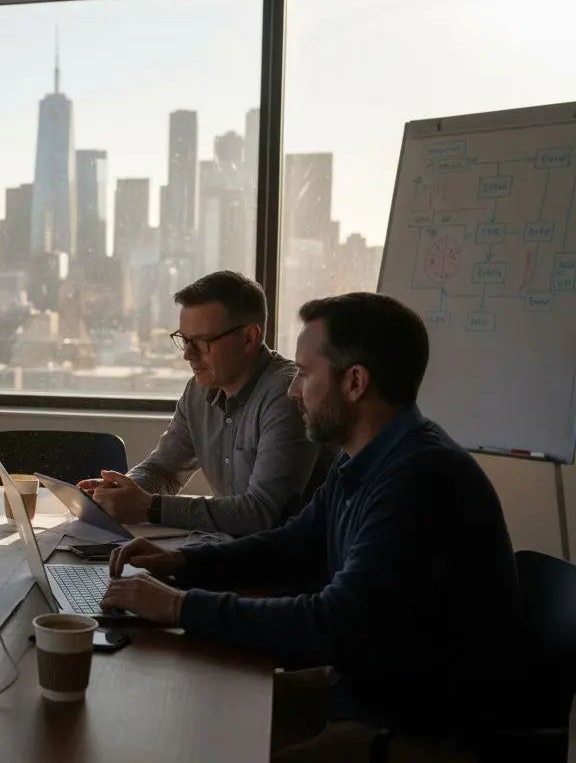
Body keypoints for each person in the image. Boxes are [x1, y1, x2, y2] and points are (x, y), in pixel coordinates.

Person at [100, 292, 521, 761]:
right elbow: (292, 544)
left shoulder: (419, 480)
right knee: (190, 718)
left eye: (304, 373)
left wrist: (180, 607)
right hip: (364, 688)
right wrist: (181, 562)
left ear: (355, 382)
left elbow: (331, 623)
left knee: (207, 742)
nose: (292, 389)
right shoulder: (365, 459)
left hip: (414, 725)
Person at [79, 271, 333, 536]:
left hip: (285, 565)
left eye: (202, 342)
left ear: (249, 337)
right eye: (185, 340)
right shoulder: (199, 391)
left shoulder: (287, 396)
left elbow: (262, 514)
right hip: (230, 552)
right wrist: (119, 493)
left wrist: (150, 508)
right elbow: (164, 470)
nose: (188, 355)